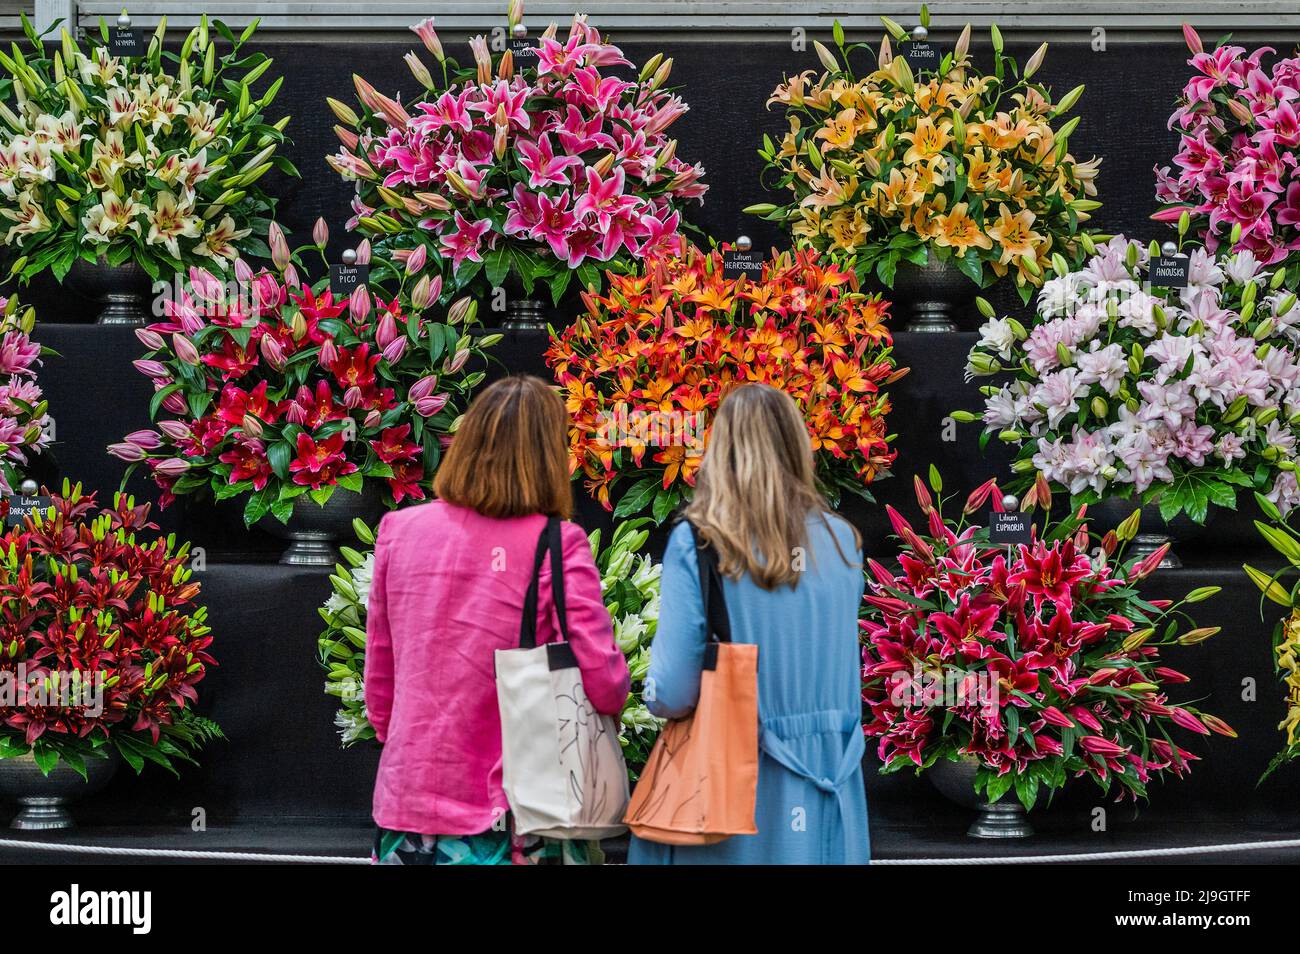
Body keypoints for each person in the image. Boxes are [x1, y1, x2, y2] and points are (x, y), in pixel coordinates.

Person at [364, 375, 630, 865]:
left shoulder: (399, 530)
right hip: (513, 811)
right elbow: (604, 683)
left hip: (409, 801)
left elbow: (381, 674)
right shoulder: (558, 541)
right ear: (550, 457)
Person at [629, 383, 869, 865]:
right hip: (833, 785)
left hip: (735, 789)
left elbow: (672, 691)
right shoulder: (843, 542)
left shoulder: (701, 542)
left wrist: (644, 695)